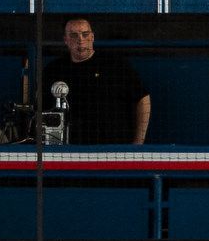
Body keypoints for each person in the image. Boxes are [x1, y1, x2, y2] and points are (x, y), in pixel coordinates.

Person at [37, 17, 151, 146]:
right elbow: (43, 110)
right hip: (69, 149)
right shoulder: (54, 70)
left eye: (85, 34)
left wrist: (138, 142)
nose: (80, 40)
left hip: (113, 148)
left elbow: (143, 99)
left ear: (92, 37)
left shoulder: (114, 65)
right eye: (74, 35)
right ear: (66, 40)